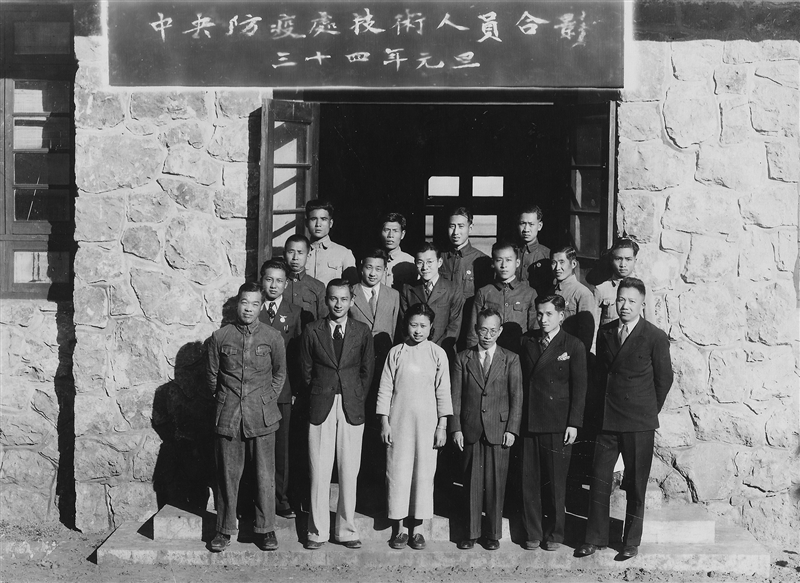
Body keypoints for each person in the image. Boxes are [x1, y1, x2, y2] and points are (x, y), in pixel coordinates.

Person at [577, 277, 673, 559]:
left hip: (638, 421)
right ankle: (595, 538)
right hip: (607, 419)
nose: (625, 306)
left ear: (642, 304)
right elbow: (600, 375)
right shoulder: (606, 332)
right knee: (599, 479)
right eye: (621, 299)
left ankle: (630, 541)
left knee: (636, 483)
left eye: (632, 301)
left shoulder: (654, 336)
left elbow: (664, 379)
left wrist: (647, 410)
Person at [206, 282, 286, 552]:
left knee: (265, 475)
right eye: (244, 303)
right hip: (229, 416)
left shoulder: (273, 337)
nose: (249, 309)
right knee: (227, 476)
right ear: (237, 305)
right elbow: (212, 377)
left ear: (261, 306)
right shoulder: (220, 337)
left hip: (262, 416)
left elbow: (279, 374)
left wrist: (266, 399)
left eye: (254, 304)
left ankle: (266, 529)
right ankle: (224, 529)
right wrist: (226, 400)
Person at [300, 279, 375, 550]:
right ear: (326, 300)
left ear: (352, 301)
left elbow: (367, 371)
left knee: (348, 471)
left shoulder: (362, 331)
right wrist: (320, 392)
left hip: (351, 406)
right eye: (333, 299)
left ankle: (346, 530)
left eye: (344, 299)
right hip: (321, 404)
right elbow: (305, 371)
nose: (338, 304)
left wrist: (355, 395)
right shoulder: (312, 330)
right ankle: (317, 531)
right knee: (319, 470)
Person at [377, 303, 453, 551]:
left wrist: (442, 425)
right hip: (399, 423)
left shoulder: (437, 354)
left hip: (427, 425)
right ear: (406, 325)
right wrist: (384, 422)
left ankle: (417, 530)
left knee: (423, 474)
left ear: (431, 327)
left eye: (423, 326)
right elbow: (385, 389)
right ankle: (399, 529)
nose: (418, 330)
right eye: (413, 325)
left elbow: (443, 391)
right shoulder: (396, 353)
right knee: (398, 473)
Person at [450, 308, 522, 551]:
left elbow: (517, 396)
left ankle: (492, 533)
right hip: (470, 427)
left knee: (495, 484)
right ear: (475, 330)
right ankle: (470, 532)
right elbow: (456, 396)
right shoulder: (463, 358)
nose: (488, 335)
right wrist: (456, 428)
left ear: (500, 331)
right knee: (471, 482)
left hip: (499, 429)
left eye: (493, 330)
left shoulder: (510, 359)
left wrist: (512, 429)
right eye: (483, 330)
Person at [519, 295, 587, 551]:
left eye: (549, 314)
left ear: (561, 315)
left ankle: (555, 533)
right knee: (530, 480)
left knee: (556, 482)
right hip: (530, 419)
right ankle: (533, 532)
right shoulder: (526, 341)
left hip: (558, 422)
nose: (543, 319)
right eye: (539, 314)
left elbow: (580, 388)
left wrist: (574, 423)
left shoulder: (573, 345)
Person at [258, 259, 303, 519]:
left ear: (286, 284)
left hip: (283, 390)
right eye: (269, 279)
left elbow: (298, 356)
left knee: (281, 447)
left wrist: (295, 390)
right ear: (262, 280)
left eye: (279, 281)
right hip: (256, 390)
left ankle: (280, 499)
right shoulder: (253, 309)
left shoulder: (294, 312)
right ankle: (255, 499)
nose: (273, 285)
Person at [467, 241, 537, 352]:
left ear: (517, 263)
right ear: (492, 263)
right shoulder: (484, 292)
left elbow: (534, 331)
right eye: (499, 260)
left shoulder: (529, 293)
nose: (504, 266)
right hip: (490, 352)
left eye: (508, 260)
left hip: (519, 353)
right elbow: (473, 331)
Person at [440, 206, 493, 349]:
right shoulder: (439, 258)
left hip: (467, 328)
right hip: (442, 327)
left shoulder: (482, 261)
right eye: (452, 226)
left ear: (470, 227)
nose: (455, 232)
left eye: (461, 226)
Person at [400, 242, 464, 355]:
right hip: (413, 352)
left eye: (430, 262)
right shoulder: (408, 289)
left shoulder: (453, 289)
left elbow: (454, 326)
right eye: (420, 262)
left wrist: (435, 351)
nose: (425, 267)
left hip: (443, 351)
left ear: (439, 262)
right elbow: (404, 323)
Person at [593, 238, 654, 326]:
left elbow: (651, 326)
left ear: (635, 261)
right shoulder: (601, 290)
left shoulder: (644, 289)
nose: (623, 265)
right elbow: (594, 326)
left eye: (628, 259)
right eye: (618, 259)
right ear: (612, 260)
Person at [548, 246, 596, 354]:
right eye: (553, 263)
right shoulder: (551, 291)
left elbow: (586, 335)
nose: (557, 268)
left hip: (570, 353)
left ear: (573, 264)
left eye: (562, 262)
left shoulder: (582, 293)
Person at [349, 249, 400, 352]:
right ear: (361, 268)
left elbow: (395, 328)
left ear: (385, 270)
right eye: (369, 267)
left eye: (378, 269)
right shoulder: (350, 292)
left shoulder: (393, 295)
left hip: (384, 353)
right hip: (356, 352)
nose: (373, 273)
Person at [304, 199, 357, 284]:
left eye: (323, 219)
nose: (318, 224)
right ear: (306, 223)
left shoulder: (344, 253)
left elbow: (353, 287)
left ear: (331, 223)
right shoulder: (299, 252)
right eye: (313, 219)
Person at [282, 234, 327, 323]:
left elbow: (323, 321)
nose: (295, 258)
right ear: (284, 254)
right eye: (291, 252)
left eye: (300, 252)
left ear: (308, 255)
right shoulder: (277, 284)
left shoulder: (318, 286)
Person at [515, 205, 552, 297]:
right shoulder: (510, 253)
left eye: (531, 224)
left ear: (539, 226)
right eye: (522, 223)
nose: (526, 229)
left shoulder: (547, 255)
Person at [379, 212, 417, 291]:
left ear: (402, 234)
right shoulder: (372, 259)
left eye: (395, 231)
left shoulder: (410, 262)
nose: (390, 235)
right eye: (386, 230)